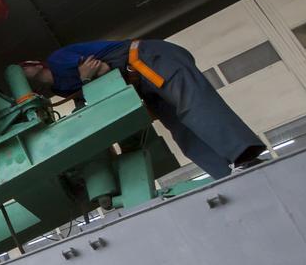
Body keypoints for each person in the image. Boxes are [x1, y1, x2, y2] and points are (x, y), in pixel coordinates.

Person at [20, 39, 266, 180]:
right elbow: (93, 83)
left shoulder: (56, 60)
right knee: (181, 129)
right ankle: (225, 173)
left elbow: (102, 69)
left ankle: (244, 155)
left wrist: (90, 78)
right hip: (139, 86)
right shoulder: (62, 90)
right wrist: (87, 79)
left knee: (192, 101)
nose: (24, 75)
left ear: (33, 64)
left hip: (149, 60)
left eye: (23, 69)